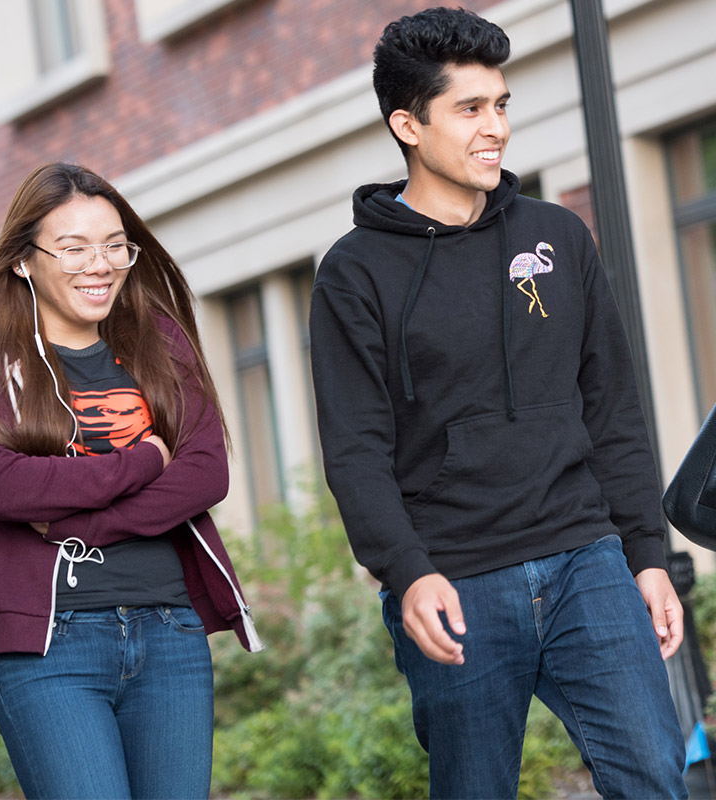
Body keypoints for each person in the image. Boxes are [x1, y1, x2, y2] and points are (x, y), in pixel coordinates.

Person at [309, 7, 687, 798]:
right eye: (471, 109)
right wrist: (407, 572)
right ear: (407, 124)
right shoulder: (356, 272)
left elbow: (611, 407)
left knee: (654, 775)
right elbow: (355, 446)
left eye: (502, 104)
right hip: (458, 580)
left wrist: (645, 555)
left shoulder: (555, 236)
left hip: (587, 557)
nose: (497, 129)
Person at [0, 162, 262, 800]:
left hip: (170, 632)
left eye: (115, 245)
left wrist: (85, 521)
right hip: (51, 648)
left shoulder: (158, 339)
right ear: (25, 261)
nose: (100, 264)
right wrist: (141, 462)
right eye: (74, 247)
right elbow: (5, 487)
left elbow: (204, 472)